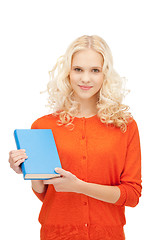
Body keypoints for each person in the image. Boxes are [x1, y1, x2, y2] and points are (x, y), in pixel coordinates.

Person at [9, 35, 142, 240]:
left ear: (105, 74)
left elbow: (132, 196)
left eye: (94, 70)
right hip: (57, 235)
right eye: (78, 69)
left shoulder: (124, 126)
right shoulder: (43, 126)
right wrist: (28, 170)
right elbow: (45, 194)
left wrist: (79, 187)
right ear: (67, 73)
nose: (85, 79)